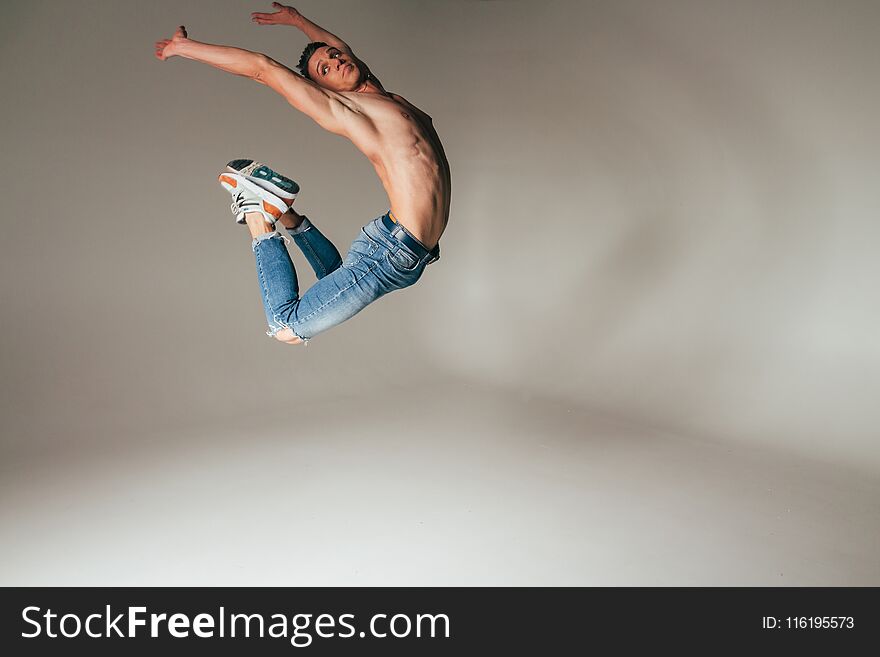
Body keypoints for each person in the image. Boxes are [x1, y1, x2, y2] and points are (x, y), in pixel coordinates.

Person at [154, 3, 451, 345]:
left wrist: (297, 20)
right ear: (326, 90)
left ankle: (286, 212)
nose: (337, 61)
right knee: (286, 327)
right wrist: (184, 48)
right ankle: (257, 210)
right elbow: (262, 69)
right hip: (392, 253)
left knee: (335, 276)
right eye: (326, 68)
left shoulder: (385, 97)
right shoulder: (350, 110)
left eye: (336, 56)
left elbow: (338, 47)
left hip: (408, 252)